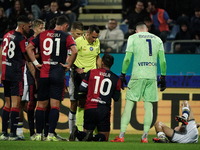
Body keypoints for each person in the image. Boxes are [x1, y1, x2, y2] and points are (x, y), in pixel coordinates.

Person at [111, 22, 167, 143]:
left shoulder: (133, 38)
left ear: (136, 31)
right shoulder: (158, 39)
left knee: (129, 106)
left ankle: (121, 136)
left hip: (137, 76)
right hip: (151, 76)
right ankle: (145, 137)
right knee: (149, 107)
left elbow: (127, 59)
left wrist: (123, 74)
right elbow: (162, 61)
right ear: (147, 29)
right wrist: (162, 77)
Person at [26, 15, 77, 141]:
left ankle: (38, 134)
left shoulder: (43, 34)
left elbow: (28, 48)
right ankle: (50, 135)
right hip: (57, 72)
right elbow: (74, 51)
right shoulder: (66, 36)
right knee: (54, 106)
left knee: (41, 105)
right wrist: (68, 65)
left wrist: (36, 63)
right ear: (65, 26)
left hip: (43, 72)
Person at [69, 54, 121, 141]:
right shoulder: (116, 79)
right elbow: (116, 98)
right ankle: (92, 137)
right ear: (112, 64)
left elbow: (82, 88)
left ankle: (77, 133)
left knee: (86, 134)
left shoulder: (91, 72)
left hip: (90, 108)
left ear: (102, 62)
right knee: (104, 137)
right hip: (104, 110)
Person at [0, 15, 31, 140]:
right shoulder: (22, 38)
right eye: (29, 26)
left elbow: (2, 51)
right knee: (15, 104)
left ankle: (3, 133)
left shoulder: (7, 35)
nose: (30, 29)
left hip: (5, 72)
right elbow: (27, 57)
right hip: (16, 73)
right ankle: (13, 134)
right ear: (23, 26)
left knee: (7, 104)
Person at [69, 24, 101, 133]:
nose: (94, 39)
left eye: (96, 37)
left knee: (94, 102)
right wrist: (75, 68)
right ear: (87, 33)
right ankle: (78, 130)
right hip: (80, 75)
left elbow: (97, 57)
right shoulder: (78, 41)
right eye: (93, 37)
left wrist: (101, 71)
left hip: (92, 75)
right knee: (81, 103)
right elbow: (70, 57)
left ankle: (94, 131)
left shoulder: (97, 42)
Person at [25, 19, 45, 140]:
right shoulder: (30, 41)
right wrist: (36, 78)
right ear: (34, 29)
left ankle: (42, 132)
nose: (43, 30)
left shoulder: (44, 40)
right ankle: (32, 133)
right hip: (33, 77)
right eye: (41, 28)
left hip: (43, 75)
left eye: (44, 28)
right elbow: (29, 61)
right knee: (32, 103)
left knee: (43, 104)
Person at [67, 21, 84, 134]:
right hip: (73, 75)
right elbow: (68, 60)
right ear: (72, 32)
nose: (80, 36)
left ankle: (81, 130)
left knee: (82, 103)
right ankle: (71, 132)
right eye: (78, 34)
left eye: (81, 34)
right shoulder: (68, 41)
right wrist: (75, 67)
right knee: (74, 103)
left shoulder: (83, 42)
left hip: (84, 75)